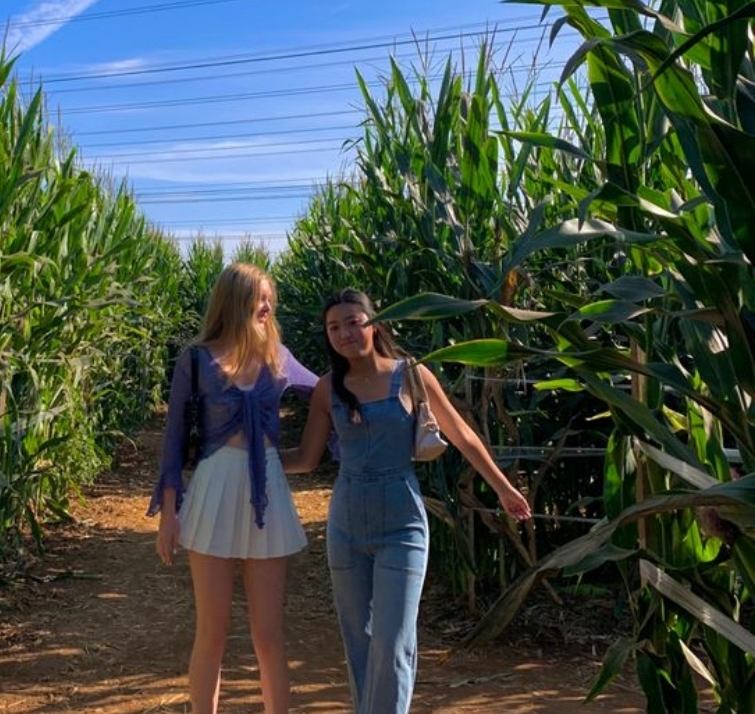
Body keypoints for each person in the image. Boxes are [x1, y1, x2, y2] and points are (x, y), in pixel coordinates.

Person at [282, 288, 531, 714]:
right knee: (358, 639)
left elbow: (462, 436)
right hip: (345, 523)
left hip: (402, 523)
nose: (344, 333)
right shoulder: (327, 389)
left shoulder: (412, 375)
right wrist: (246, 458)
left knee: (394, 641)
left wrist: (503, 488)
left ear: (374, 324)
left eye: (353, 322)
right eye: (334, 327)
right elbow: (306, 458)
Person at [149, 263, 319, 714]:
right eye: (257, 298)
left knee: (269, 634)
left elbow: (326, 393)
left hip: (268, 491)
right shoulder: (196, 359)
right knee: (212, 631)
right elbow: (173, 439)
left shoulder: (279, 356)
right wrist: (169, 514)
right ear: (233, 300)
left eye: (269, 299)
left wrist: (387, 386)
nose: (266, 307)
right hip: (214, 488)